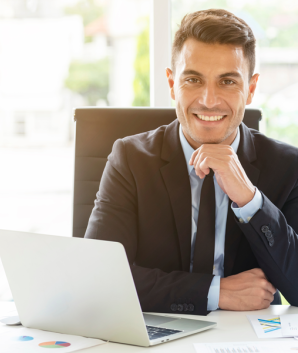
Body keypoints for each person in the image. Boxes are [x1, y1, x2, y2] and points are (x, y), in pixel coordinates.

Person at [84, 9, 298, 316]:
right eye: (193, 79)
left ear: (250, 89)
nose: (209, 100)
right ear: (172, 84)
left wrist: (250, 200)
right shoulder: (129, 159)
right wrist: (216, 292)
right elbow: (99, 276)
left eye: (227, 81)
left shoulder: (288, 167)